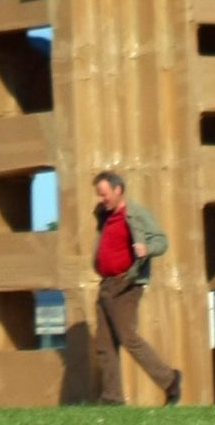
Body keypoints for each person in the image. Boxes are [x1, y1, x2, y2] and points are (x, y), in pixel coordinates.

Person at [80, 170, 183, 405]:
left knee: (127, 336)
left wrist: (147, 250)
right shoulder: (104, 215)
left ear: (118, 190)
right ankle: (112, 397)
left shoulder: (136, 214)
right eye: (99, 195)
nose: (101, 199)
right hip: (106, 284)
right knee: (105, 344)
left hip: (127, 283)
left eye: (104, 194)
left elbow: (161, 240)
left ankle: (169, 380)